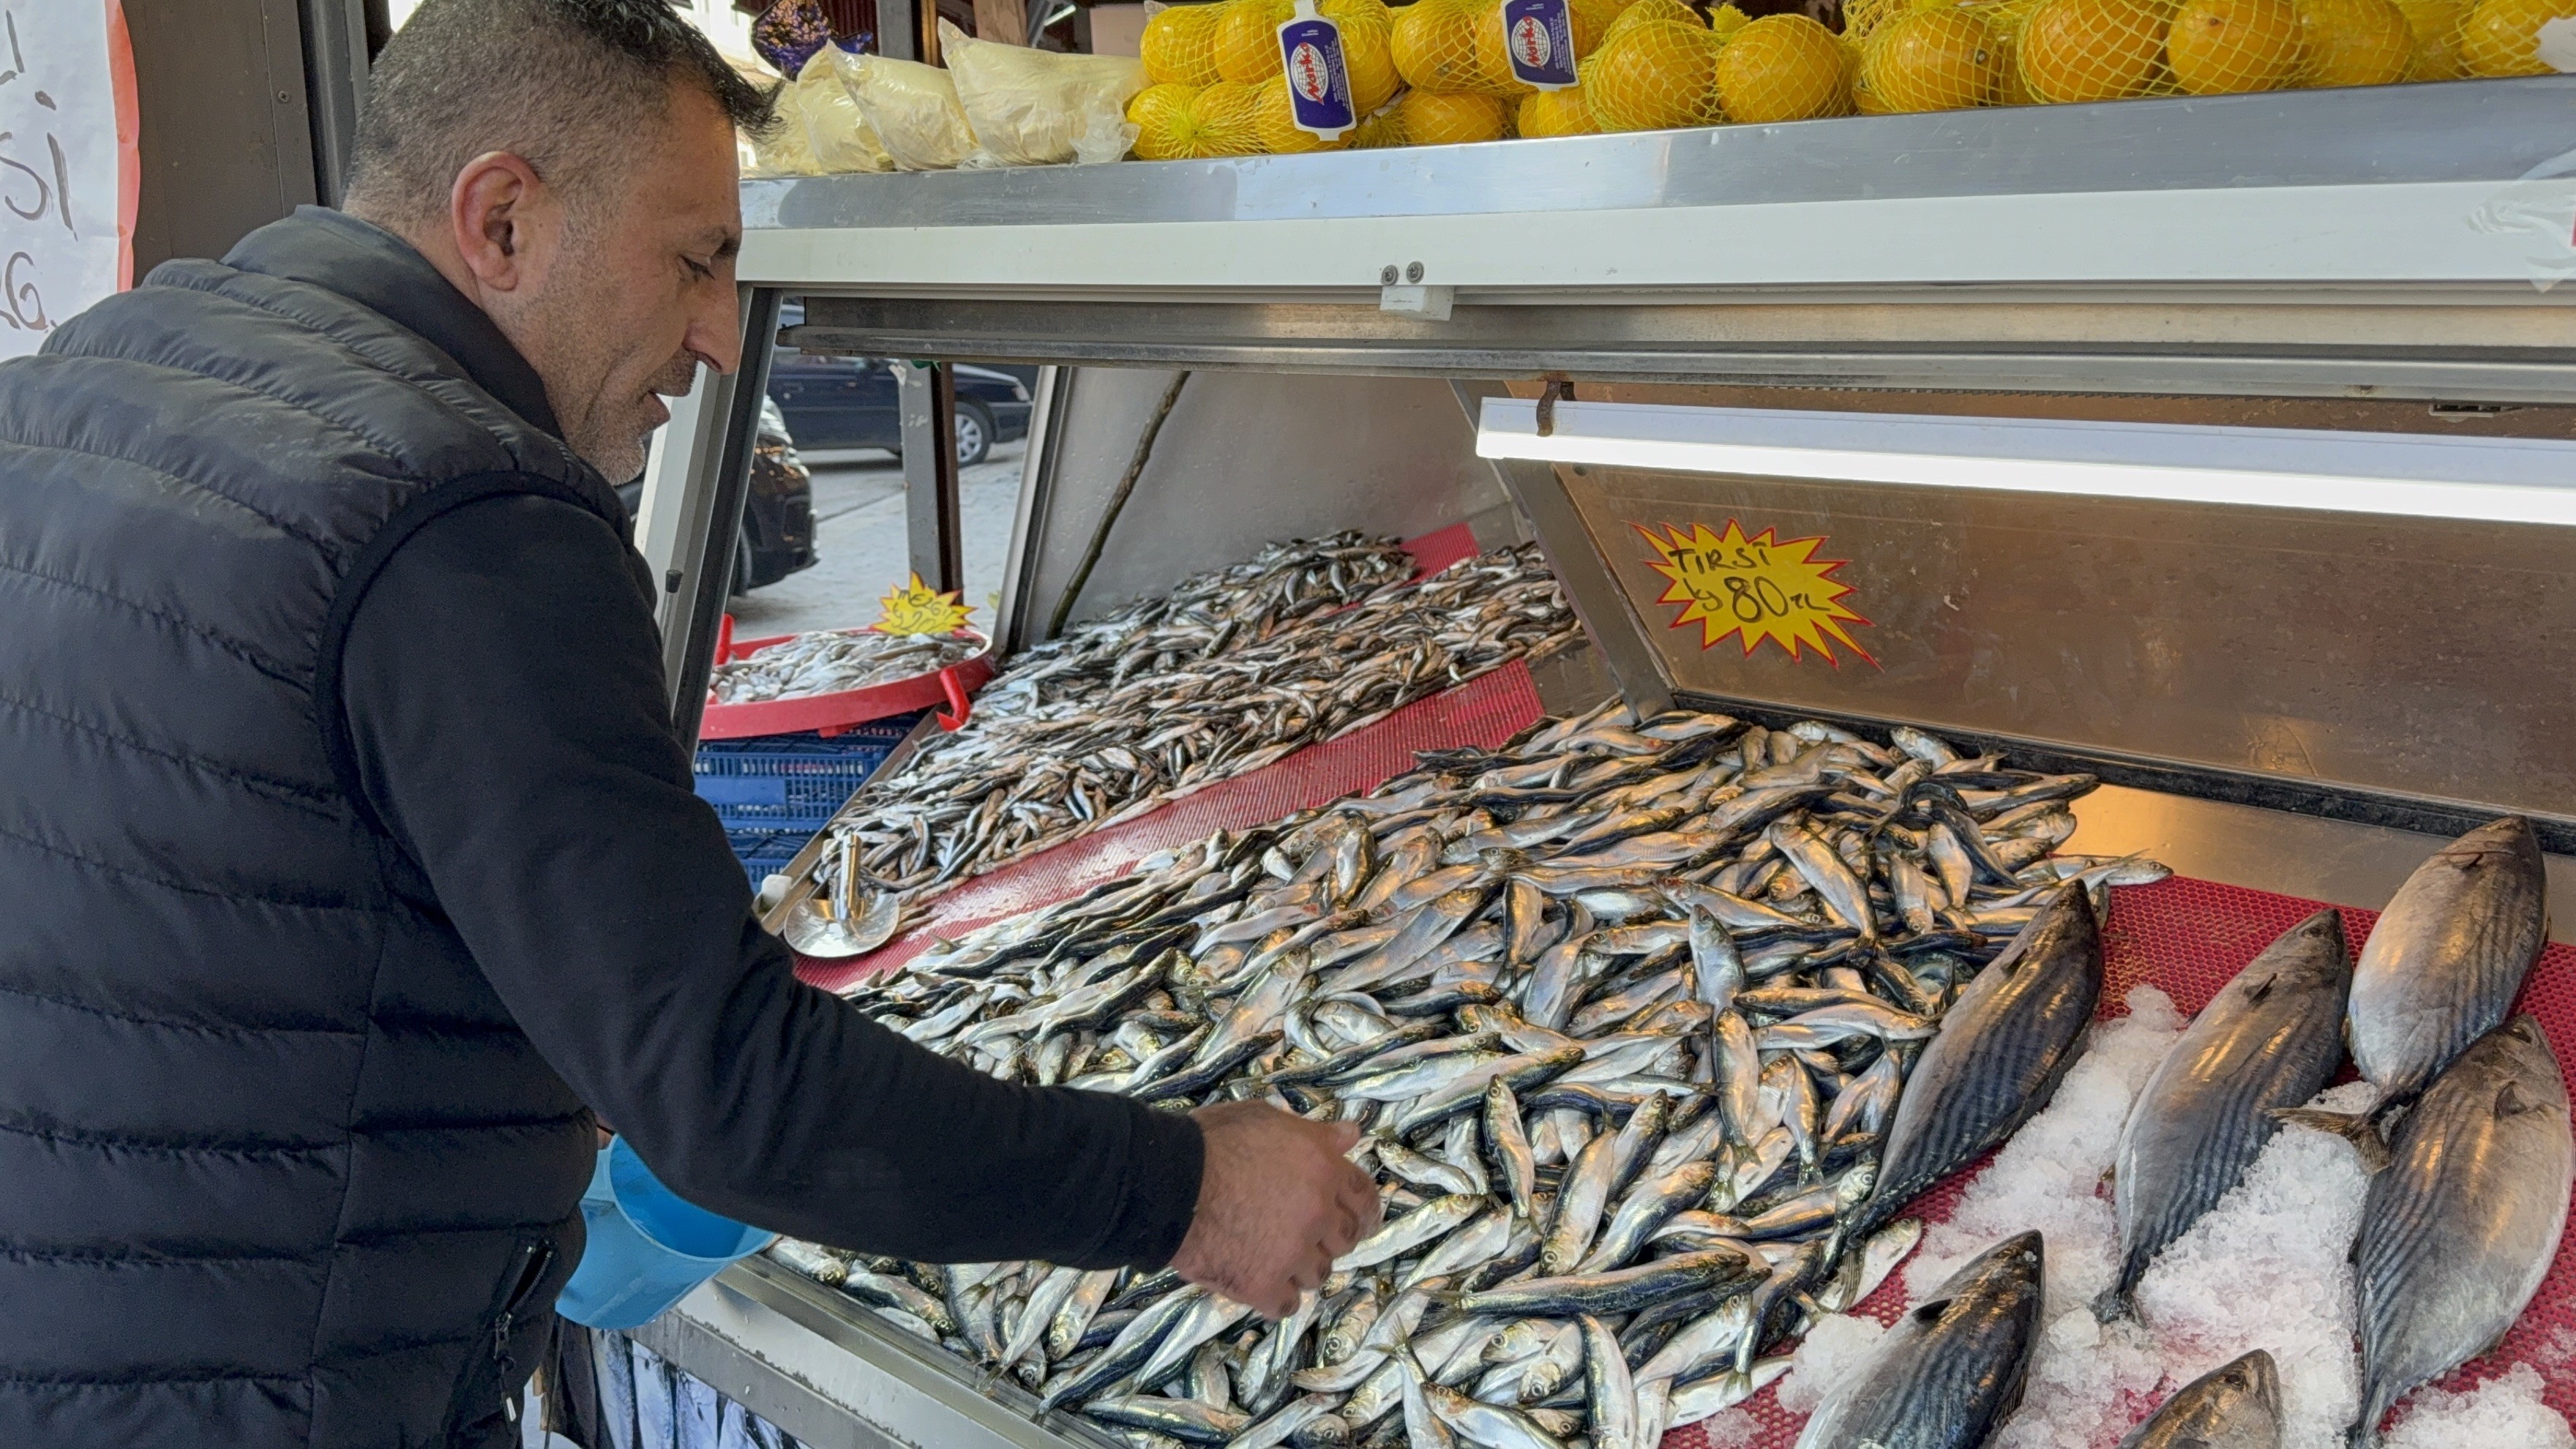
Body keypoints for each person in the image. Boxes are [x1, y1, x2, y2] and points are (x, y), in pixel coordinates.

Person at [0, 2, 1377, 1444]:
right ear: (502, 221)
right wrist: (1193, 1192)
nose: (724, 337)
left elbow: (218, 879)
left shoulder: (106, 374)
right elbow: (729, 1096)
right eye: (694, 259)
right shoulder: (460, 512)